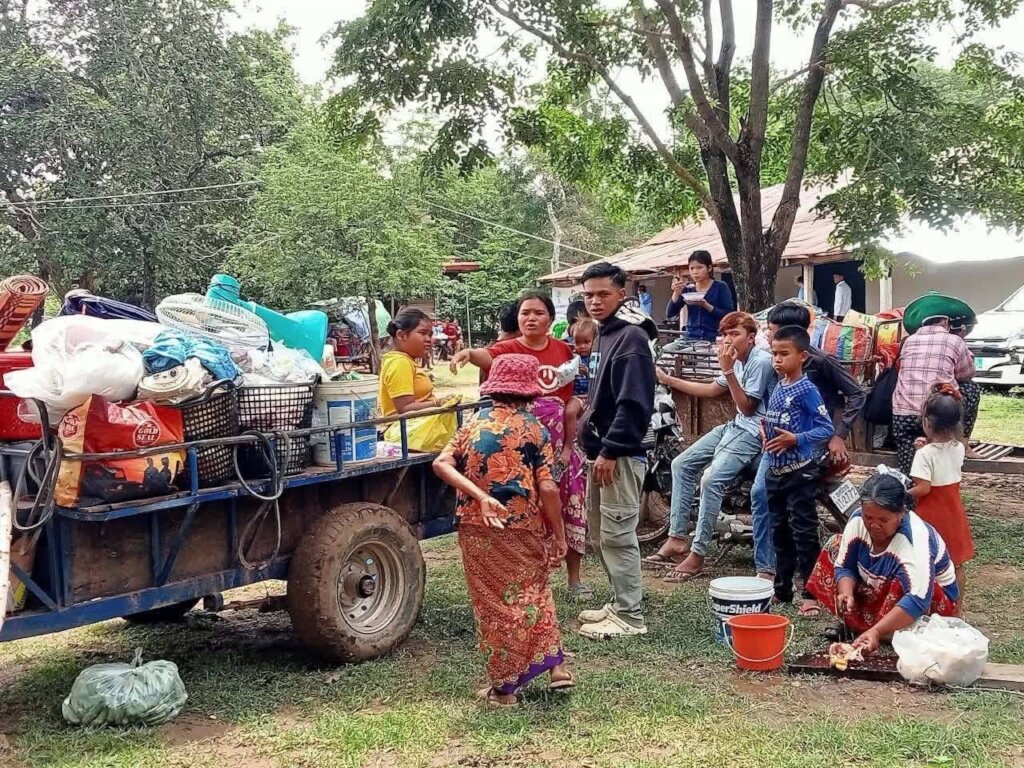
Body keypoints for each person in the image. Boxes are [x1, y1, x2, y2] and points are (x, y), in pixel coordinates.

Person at [433, 354, 573, 706]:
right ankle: (556, 667)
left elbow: (441, 464)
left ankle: (505, 689)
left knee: (495, 605)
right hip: (523, 523)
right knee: (535, 588)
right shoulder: (535, 429)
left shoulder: (472, 425)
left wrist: (480, 496)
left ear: (494, 388)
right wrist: (559, 534)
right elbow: (550, 488)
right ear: (529, 392)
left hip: (477, 526)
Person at [451, 292, 588, 597]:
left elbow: (580, 388)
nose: (530, 318)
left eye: (538, 313)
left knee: (570, 504)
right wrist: (467, 354)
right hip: (520, 451)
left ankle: (575, 579)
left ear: (550, 319)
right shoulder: (508, 349)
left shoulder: (564, 350)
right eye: (525, 313)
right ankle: (533, 577)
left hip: (561, 444)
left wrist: (573, 408)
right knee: (529, 510)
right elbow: (484, 356)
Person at [647, 311, 775, 582]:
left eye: (735, 334)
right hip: (736, 426)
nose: (729, 340)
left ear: (751, 338)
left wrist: (727, 369)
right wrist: (669, 381)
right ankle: (677, 537)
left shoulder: (760, 361)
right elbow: (712, 390)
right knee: (681, 463)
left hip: (754, 432)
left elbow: (748, 407)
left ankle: (698, 553)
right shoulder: (736, 361)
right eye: (726, 334)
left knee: (711, 479)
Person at [748, 302, 866, 581]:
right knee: (770, 501)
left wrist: (839, 435)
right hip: (780, 440)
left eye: (774, 331)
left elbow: (857, 394)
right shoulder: (778, 365)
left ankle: (771, 569)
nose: (769, 337)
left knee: (766, 497)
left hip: (808, 443)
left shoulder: (822, 361)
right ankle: (776, 571)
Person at [575, 261, 657, 639]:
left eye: (603, 294)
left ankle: (630, 616)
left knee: (619, 533)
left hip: (620, 454)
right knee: (604, 533)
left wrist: (610, 450)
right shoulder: (606, 333)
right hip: (603, 451)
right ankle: (620, 600)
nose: (594, 301)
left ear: (621, 295)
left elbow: (633, 404)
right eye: (588, 294)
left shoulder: (632, 339)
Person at [806, 472, 960, 655]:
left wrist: (877, 631)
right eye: (868, 517)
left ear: (901, 513)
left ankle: (881, 630)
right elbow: (845, 566)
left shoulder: (916, 538)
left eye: (883, 520)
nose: (874, 526)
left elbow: (918, 598)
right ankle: (870, 628)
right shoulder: (857, 521)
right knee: (835, 545)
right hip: (879, 587)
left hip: (930, 602)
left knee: (899, 582)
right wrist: (846, 592)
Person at [762, 326, 835, 615]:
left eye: (784, 354)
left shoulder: (808, 390)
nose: (777, 360)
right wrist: (764, 430)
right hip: (775, 471)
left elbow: (825, 428)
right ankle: (782, 589)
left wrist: (797, 439)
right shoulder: (780, 385)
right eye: (774, 354)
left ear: (802, 356)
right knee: (779, 532)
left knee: (803, 533)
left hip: (800, 472)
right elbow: (775, 419)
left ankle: (811, 593)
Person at [909, 384, 973, 601]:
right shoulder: (959, 447)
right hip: (954, 512)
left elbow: (924, 488)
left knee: (926, 562)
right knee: (956, 563)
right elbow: (944, 460)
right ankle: (957, 610)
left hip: (931, 515)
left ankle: (926, 606)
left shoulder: (924, 455)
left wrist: (904, 493)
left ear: (927, 422)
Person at [892, 315, 974, 474]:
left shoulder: (909, 340)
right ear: (945, 322)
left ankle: (909, 485)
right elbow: (967, 374)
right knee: (971, 388)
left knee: (910, 472)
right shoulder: (955, 340)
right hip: (940, 413)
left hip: (903, 415)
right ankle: (963, 442)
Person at [380, 308, 443, 417]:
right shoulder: (400, 362)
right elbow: (404, 409)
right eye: (422, 333)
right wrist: (438, 403)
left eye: (430, 334)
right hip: (406, 431)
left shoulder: (407, 360)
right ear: (401, 335)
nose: (428, 339)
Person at [665, 250, 735, 343]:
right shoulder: (688, 288)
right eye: (692, 268)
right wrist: (676, 292)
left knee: (685, 354)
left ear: (709, 268)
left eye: (699, 267)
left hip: (711, 338)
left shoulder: (720, 287)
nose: (695, 272)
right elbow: (670, 314)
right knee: (664, 352)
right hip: (689, 338)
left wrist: (706, 306)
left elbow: (729, 315)